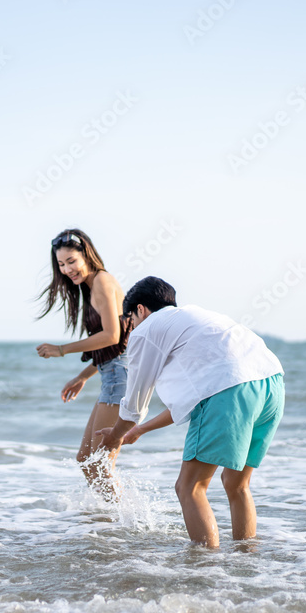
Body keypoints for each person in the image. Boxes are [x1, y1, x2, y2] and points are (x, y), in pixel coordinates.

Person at [97, 277, 284, 547]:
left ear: (140, 310)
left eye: (130, 320)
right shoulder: (193, 320)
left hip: (230, 389)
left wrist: (115, 436)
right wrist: (139, 431)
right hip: (271, 382)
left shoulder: (147, 329)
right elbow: (196, 400)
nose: (131, 328)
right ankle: (248, 568)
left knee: (189, 487)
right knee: (237, 484)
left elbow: (133, 406)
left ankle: (206, 574)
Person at [35, 229, 132, 499]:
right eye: (61, 264)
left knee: (100, 462)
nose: (67, 270)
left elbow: (112, 336)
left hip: (119, 378)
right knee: (86, 460)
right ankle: (116, 520)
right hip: (112, 374)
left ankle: (121, 523)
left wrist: (62, 350)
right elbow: (116, 346)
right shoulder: (91, 286)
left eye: (71, 261)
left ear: (86, 255)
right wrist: (83, 376)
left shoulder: (102, 281)